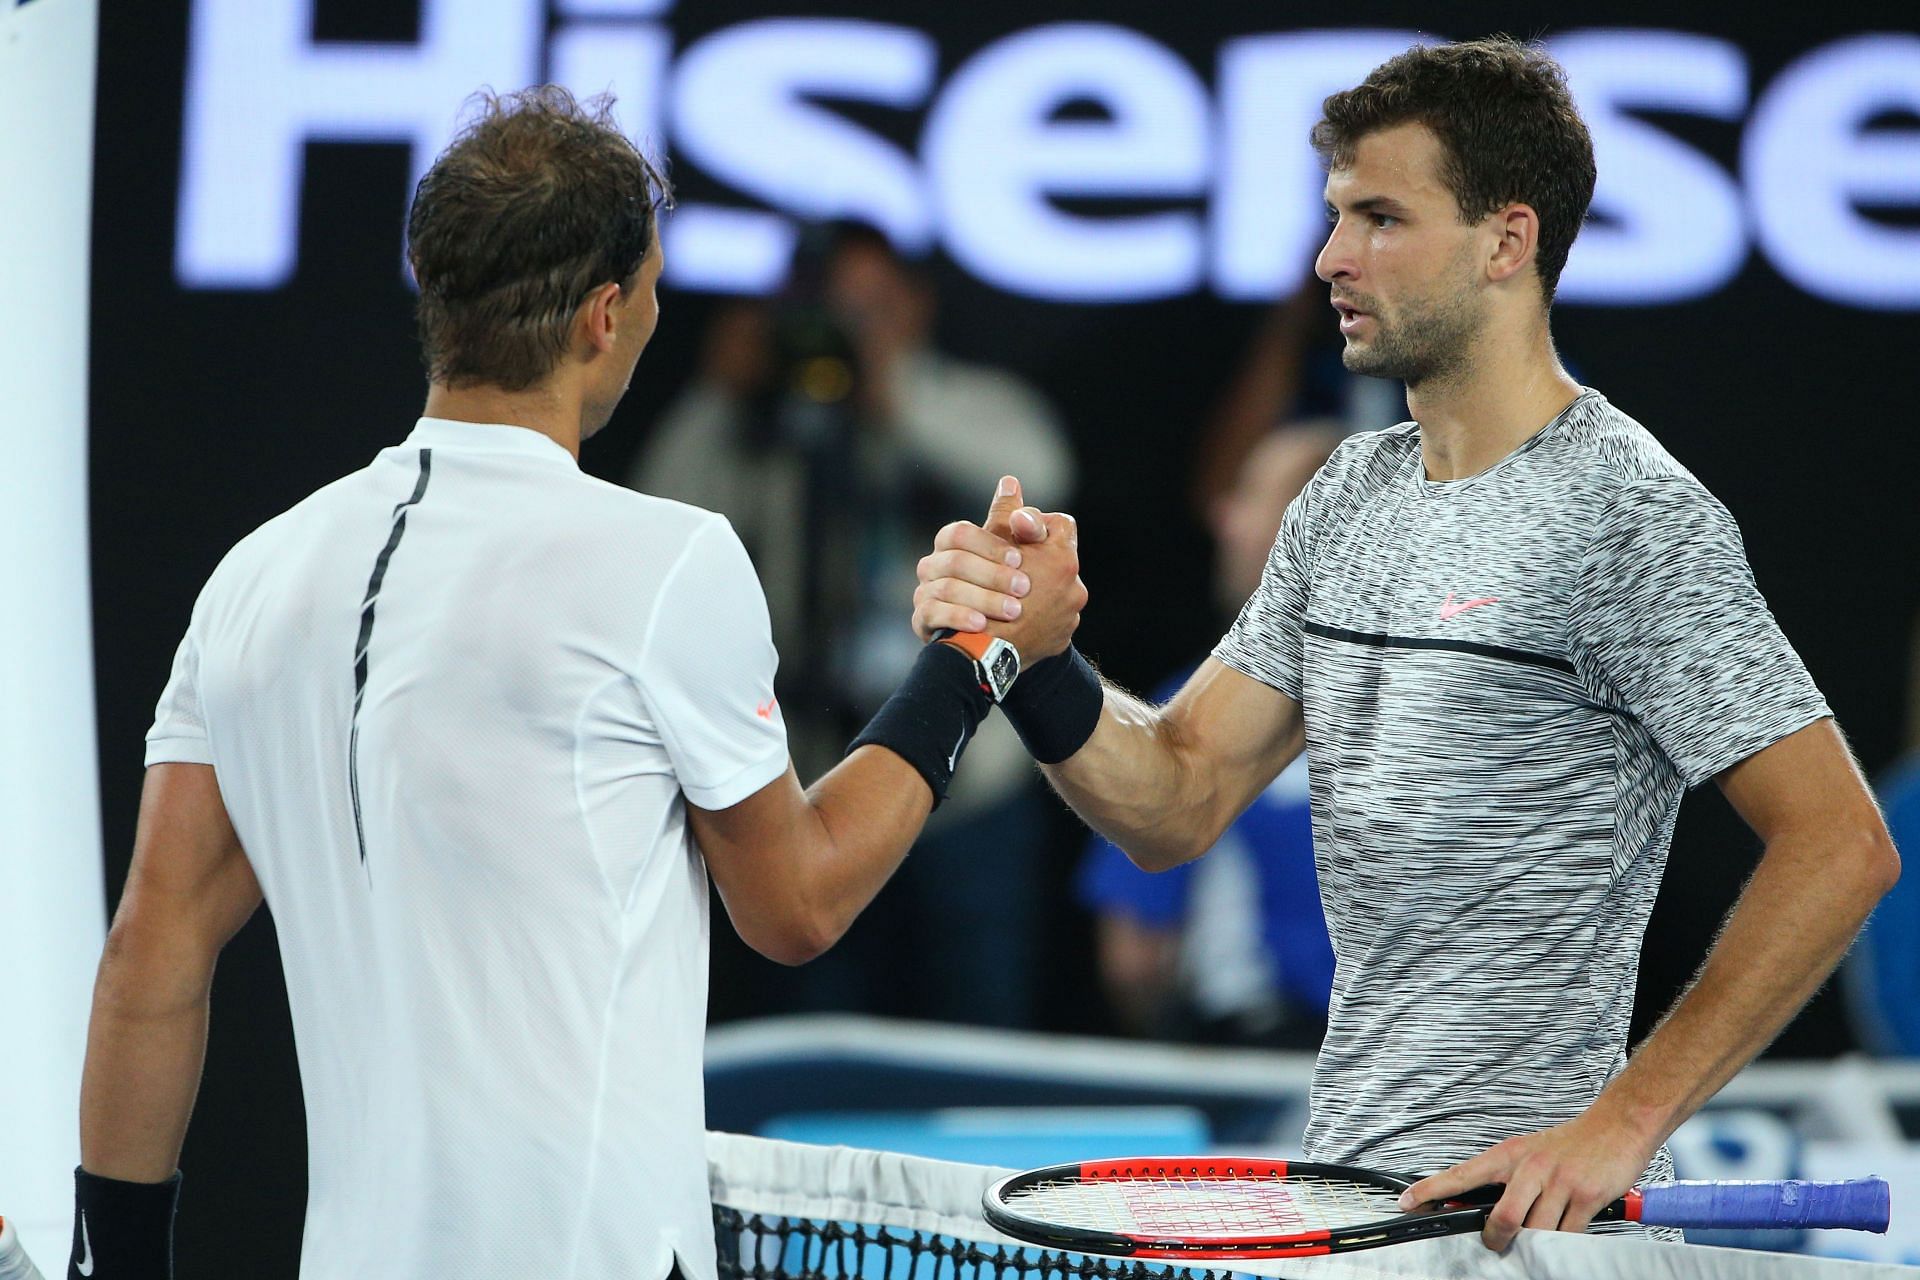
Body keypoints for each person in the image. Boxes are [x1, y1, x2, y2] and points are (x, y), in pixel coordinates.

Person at [67, 88, 1083, 1280]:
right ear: (606, 314)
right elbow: (796, 903)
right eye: (651, 287)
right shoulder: (665, 560)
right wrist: (978, 659)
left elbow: (153, 949)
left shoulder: (255, 577)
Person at [910, 37, 1898, 1250]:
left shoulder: (1630, 513)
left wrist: (1621, 1122)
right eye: (1336, 215)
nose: (1332, 256)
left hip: (1532, 1232)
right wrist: (1038, 656)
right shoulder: (1346, 497)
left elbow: (1842, 844)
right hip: (1359, 1203)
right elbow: (1176, 797)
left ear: (1507, 241)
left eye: (1381, 216)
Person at [630, 222, 1073, 1027]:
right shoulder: (758, 426)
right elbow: (663, 518)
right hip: (813, 775)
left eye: (871, 306)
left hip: (969, 780)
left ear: (915, 306)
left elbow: (1040, 482)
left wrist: (885, 392)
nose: (849, 326)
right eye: (831, 309)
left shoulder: (972, 403)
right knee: (814, 1044)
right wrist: (720, 394)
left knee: (977, 1041)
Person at [1078, 426, 1343, 1047]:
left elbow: (1134, 957)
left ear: (1318, 531)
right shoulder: (1477, 702)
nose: (1223, 518)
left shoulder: (1194, 712)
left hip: (1252, 1066)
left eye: (1251, 496)